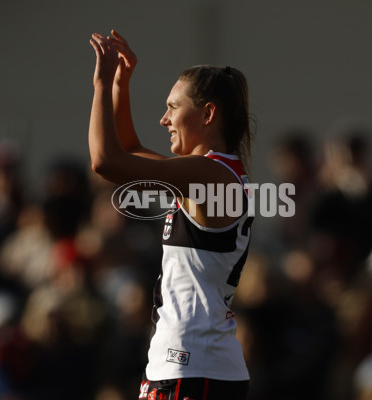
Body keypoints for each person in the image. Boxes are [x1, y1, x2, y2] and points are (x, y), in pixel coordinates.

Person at [88, 30, 253, 400]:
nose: (163, 119)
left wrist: (99, 85)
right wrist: (120, 85)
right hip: (195, 366)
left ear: (208, 114)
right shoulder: (210, 172)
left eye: (173, 107)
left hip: (191, 368)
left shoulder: (207, 174)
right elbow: (128, 148)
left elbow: (106, 161)